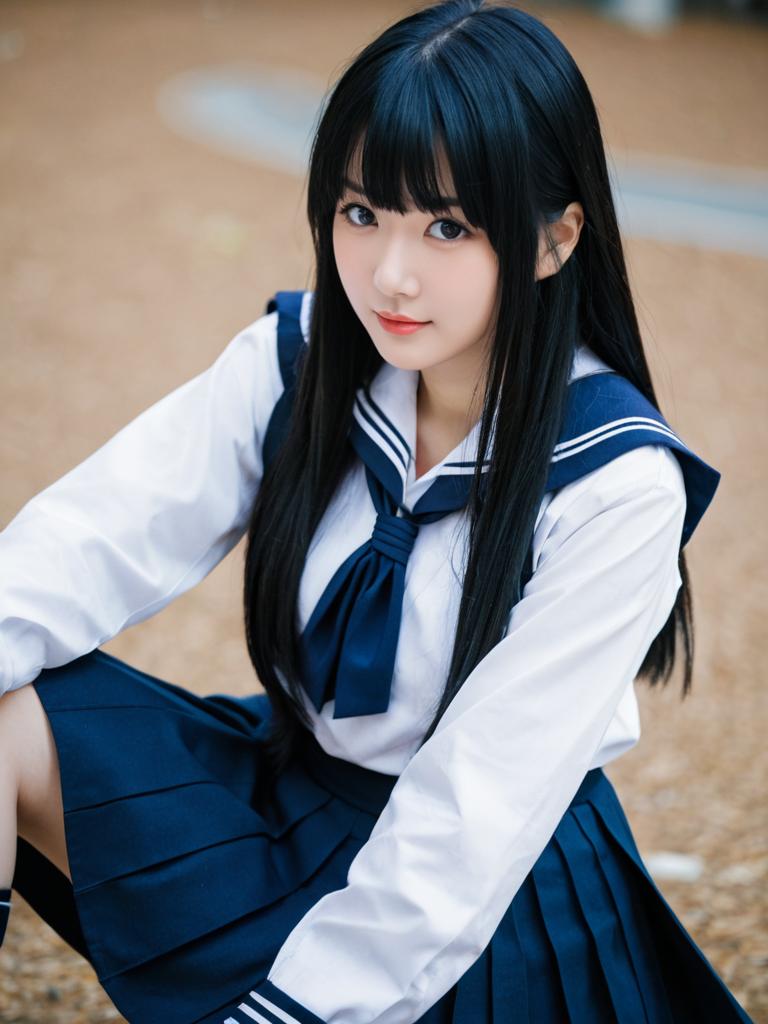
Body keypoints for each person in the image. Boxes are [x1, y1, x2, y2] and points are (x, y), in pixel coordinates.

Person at [0, 2, 753, 1022]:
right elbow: (84, 542)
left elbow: (469, 820)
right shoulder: (297, 363)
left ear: (553, 239)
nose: (390, 274)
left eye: (447, 225)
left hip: (495, 903)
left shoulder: (614, 487)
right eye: (362, 212)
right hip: (290, 795)